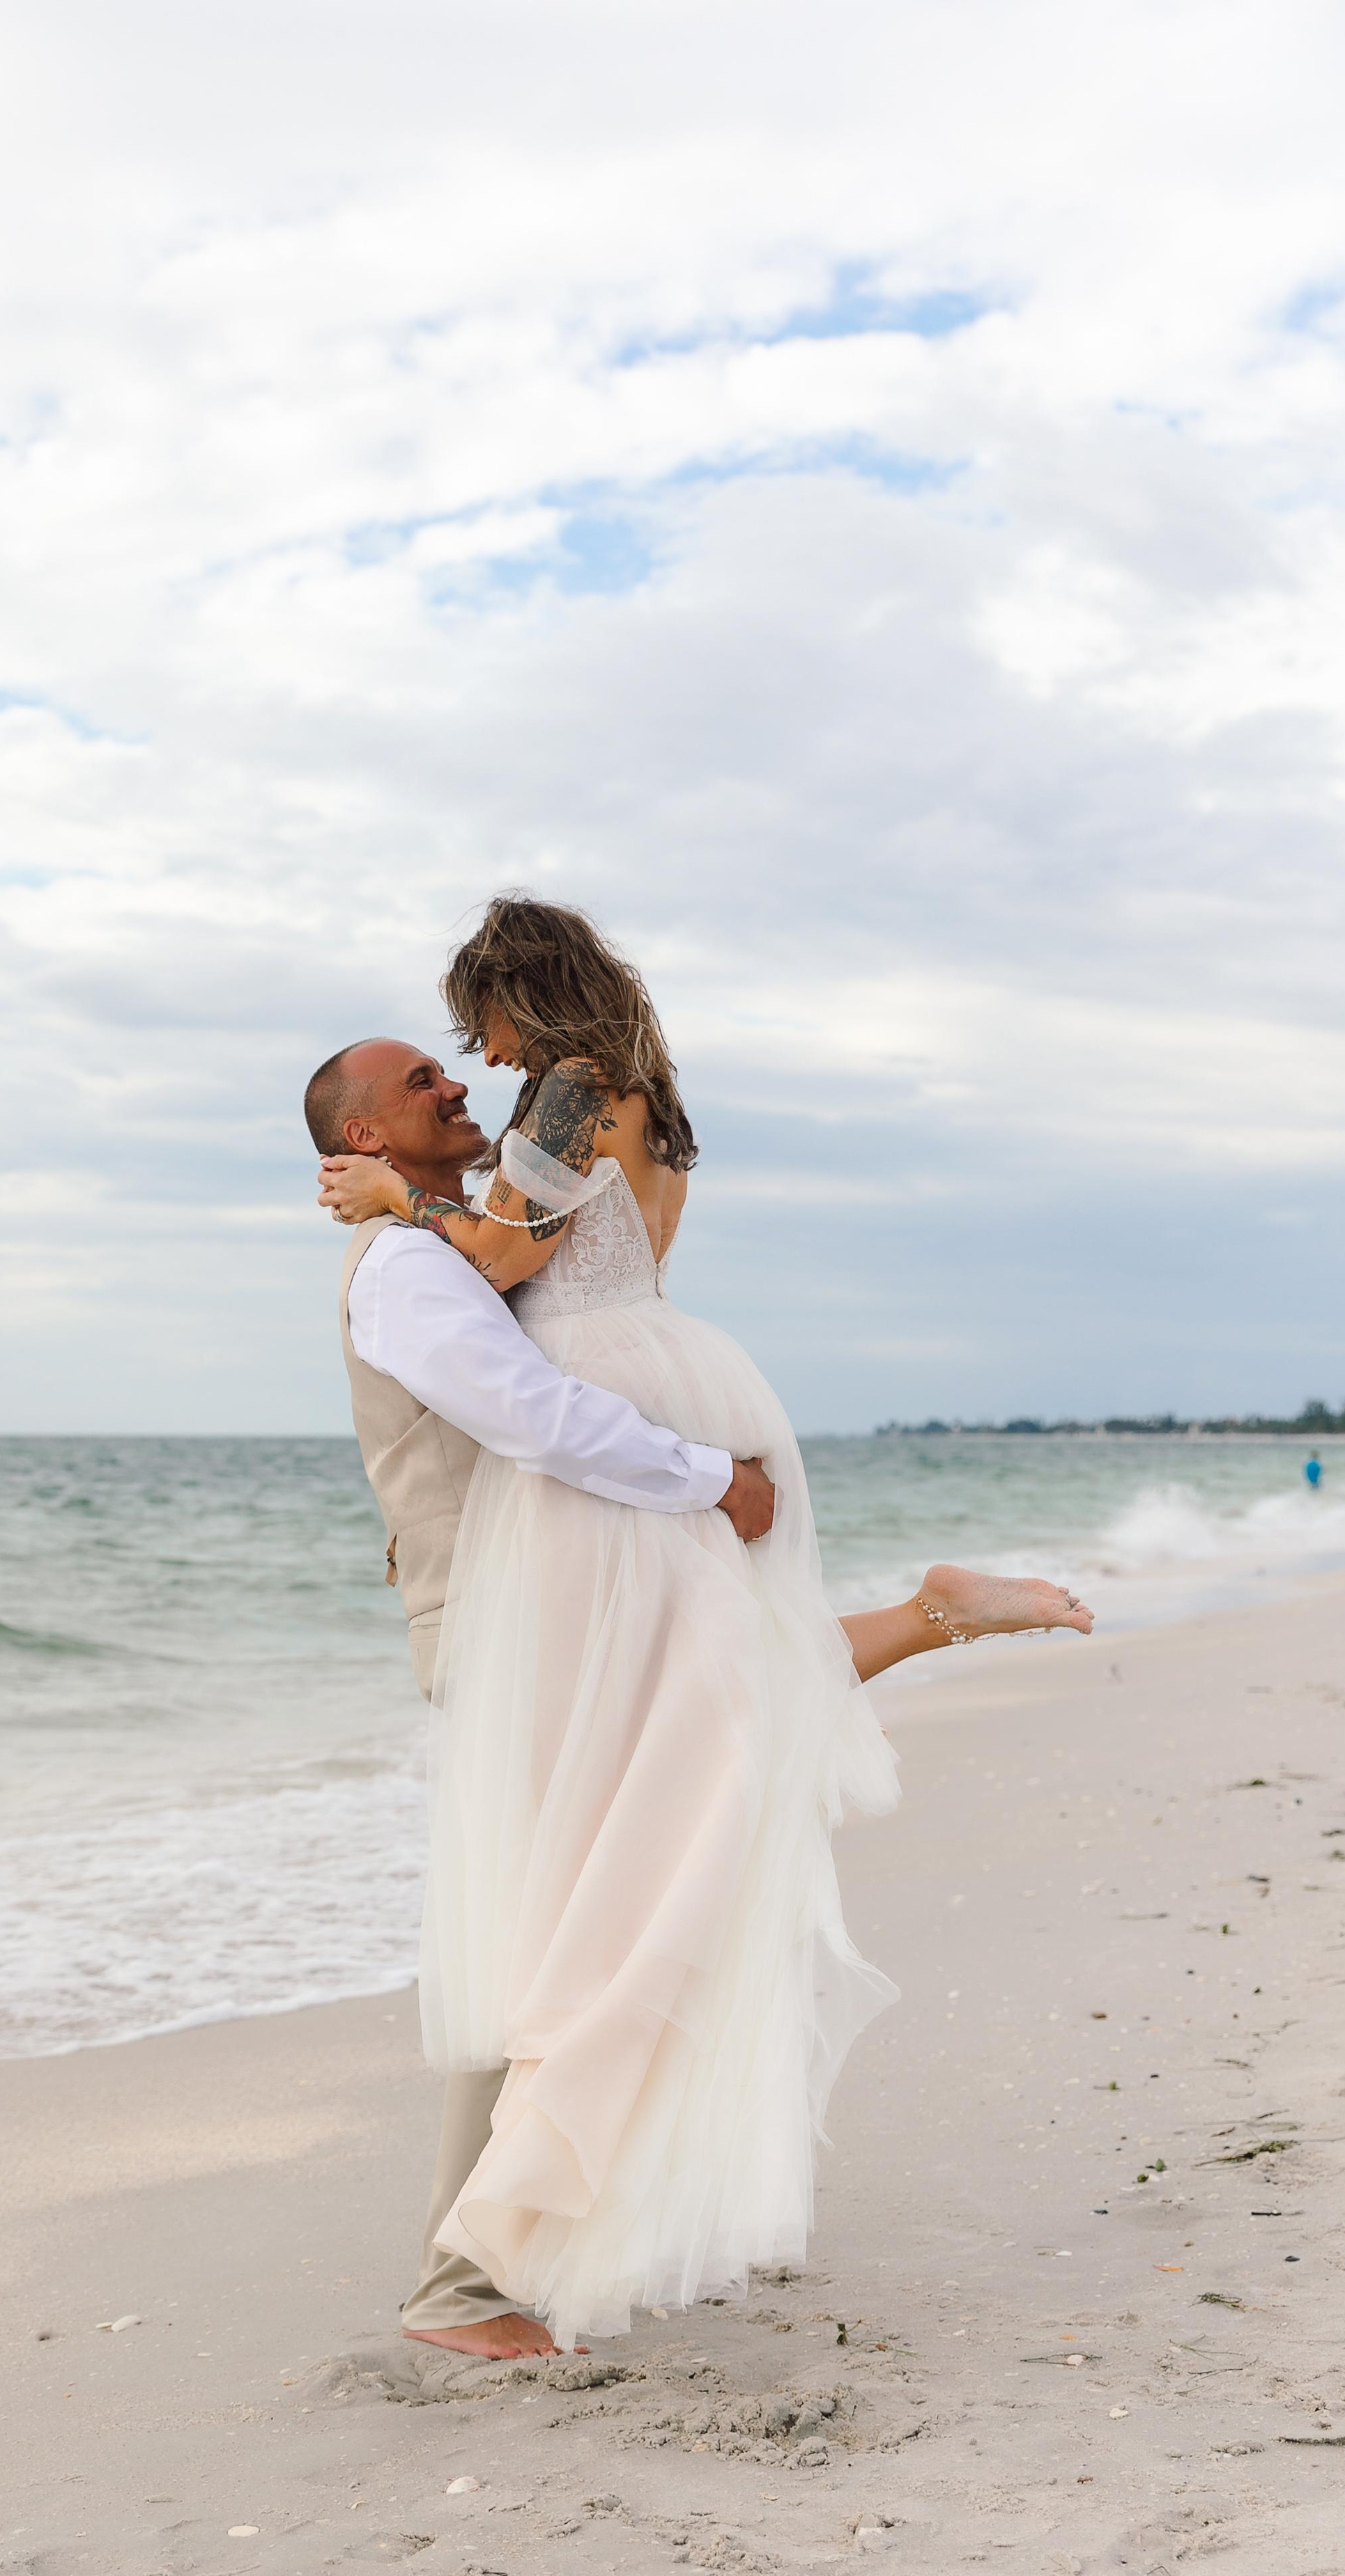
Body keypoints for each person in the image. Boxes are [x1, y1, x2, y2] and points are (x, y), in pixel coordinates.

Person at [310, 913, 1091, 2354]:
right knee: (716, 1700)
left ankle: (479, 2259)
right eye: (449, 1056)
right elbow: (538, 1232)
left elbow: (492, 1253)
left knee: (650, 1779)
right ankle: (929, 1615)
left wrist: (389, 1202)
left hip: (614, 1407)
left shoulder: (560, 1094)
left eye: (475, 1027)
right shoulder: (651, 1099)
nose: (478, 1062)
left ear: (521, 1001)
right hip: (682, 1375)